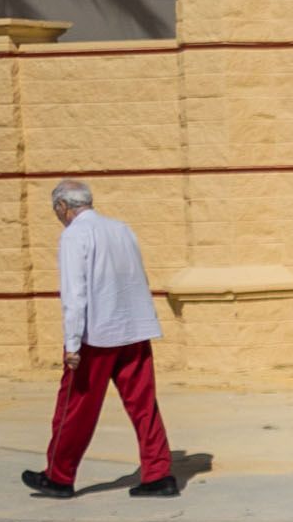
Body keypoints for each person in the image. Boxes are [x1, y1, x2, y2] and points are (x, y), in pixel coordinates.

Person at [24, 179, 179, 500]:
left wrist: (72, 342)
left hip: (97, 334)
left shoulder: (74, 235)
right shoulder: (121, 229)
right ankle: (158, 473)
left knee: (74, 409)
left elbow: (74, 293)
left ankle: (59, 476)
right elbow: (136, 276)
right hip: (133, 329)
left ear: (62, 207)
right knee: (144, 406)